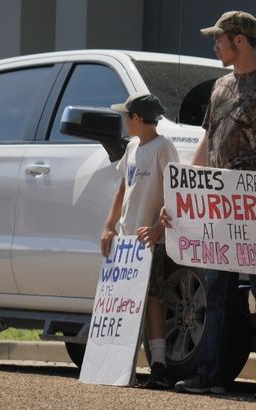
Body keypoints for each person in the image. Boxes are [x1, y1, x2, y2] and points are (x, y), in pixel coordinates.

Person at [171, 11, 256, 401]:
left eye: (219, 39)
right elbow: (207, 143)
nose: (215, 45)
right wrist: (184, 197)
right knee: (218, 293)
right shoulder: (220, 87)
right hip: (220, 207)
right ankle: (209, 374)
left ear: (240, 40)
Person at [101, 92, 180, 389]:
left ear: (136, 118)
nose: (123, 120)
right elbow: (123, 187)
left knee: (153, 300)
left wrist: (159, 230)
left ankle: (158, 364)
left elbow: (175, 193)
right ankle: (119, 363)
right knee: (124, 302)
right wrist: (109, 226)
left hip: (150, 243)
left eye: (125, 115)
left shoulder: (163, 149)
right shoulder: (133, 147)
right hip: (126, 241)